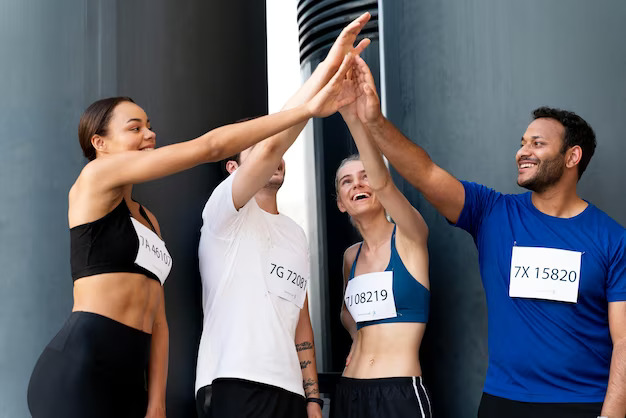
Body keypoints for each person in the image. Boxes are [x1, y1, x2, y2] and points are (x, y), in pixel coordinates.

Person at [26, 55, 355, 418]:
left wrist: (157, 401)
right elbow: (210, 146)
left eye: (149, 126)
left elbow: (158, 319)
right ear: (99, 142)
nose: (149, 134)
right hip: (81, 364)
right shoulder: (93, 178)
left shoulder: (148, 219)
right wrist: (307, 110)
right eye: (134, 128)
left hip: (130, 374)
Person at [348, 55, 626, 418]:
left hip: (581, 404)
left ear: (572, 156)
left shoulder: (612, 239)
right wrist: (374, 121)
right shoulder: (492, 212)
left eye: (537, 144)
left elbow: (624, 342)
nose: (523, 152)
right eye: (522, 142)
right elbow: (426, 173)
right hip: (502, 402)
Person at [194, 13, 371, 418]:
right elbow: (274, 144)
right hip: (234, 382)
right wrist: (326, 73)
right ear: (233, 169)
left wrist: (312, 398)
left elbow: (301, 321)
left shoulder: (295, 233)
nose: (272, 155)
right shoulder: (225, 210)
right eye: (255, 149)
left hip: (290, 392)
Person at [329, 75, 432, 417]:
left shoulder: (410, 235)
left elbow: (385, 183)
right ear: (341, 202)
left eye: (364, 176)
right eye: (347, 182)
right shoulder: (351, 257)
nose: (358, 184)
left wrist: (351, 118)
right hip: (350, 392)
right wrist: (357, 336)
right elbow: (346, 312)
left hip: (398, 393)